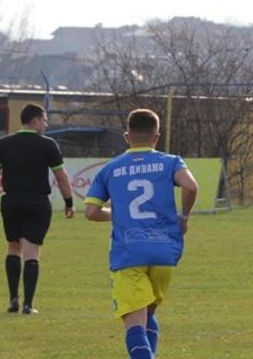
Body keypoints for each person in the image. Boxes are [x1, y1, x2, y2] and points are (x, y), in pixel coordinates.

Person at [84, 109, 199, 359]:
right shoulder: (171, 162)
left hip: (129, 252)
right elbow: (190, 186)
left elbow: (91, 212)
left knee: (135, 321)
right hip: (164, 252)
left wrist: (119, 214)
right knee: (148, 315)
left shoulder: (110, 169)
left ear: (127, 136)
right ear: (156, 136)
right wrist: (185, 217)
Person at [0, 103, 74, 315]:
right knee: (32, 251)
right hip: (37, 202)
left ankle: (13, 299)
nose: (46, 124)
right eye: (44, 120)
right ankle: (28, 305)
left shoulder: (4, 143)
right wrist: (69, 202)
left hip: (11, 200)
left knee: (13, 247)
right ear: (35, 121)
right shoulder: (47, 144)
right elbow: (62, 177)